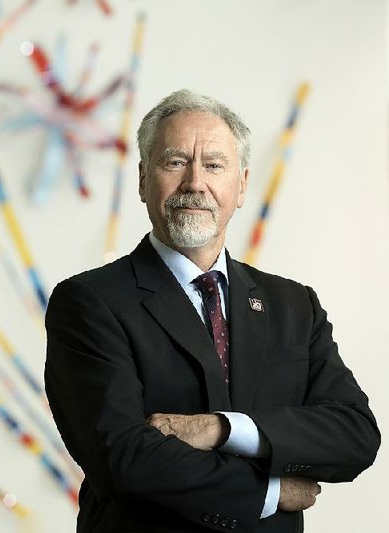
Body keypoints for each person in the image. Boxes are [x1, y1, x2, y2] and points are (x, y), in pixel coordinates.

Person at [44, 89, 380, 532]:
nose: (194, 183)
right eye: (175, 161)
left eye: (214, 165)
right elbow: (122, 456)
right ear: (143, 179)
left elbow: (354, 434)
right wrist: (272, 493)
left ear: (241, 186)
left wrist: (223, 429)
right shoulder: (89, 302)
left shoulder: (294, 305)